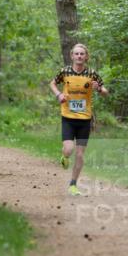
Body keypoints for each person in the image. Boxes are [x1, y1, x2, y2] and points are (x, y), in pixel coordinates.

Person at [48, 43, 108, 196]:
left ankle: (73, 185)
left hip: (85, 119)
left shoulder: (92, 74)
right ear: (72, 56)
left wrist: (99, 89)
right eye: (77, 54)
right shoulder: (65, 71)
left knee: (80, 154)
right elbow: (52, 83)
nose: (79, 56)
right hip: (68, 117)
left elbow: (105, 92)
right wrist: (59, 95)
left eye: (82, 54)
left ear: (86, 56)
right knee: (69, 149)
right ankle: (64, 156)